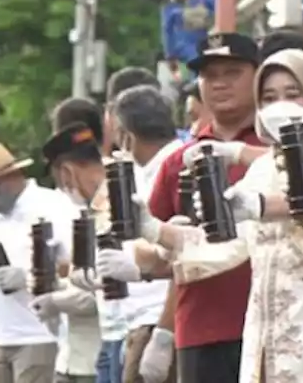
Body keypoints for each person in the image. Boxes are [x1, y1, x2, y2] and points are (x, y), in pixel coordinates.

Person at [180, 48, 303, 383]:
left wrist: (263, 205)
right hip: (263, 332)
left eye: (293, 95)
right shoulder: (262, 170)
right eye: (268, 97)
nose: (280, 105)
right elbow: (226, 246)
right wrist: (153, 235)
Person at [145, 32, 264, 383]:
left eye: (232, 72)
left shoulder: (273, 149)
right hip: (201, 326)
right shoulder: (179, 160)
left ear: (258, 74)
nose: (220, 84)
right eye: (210, 75)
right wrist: (149, 249)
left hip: (273, 319)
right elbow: (152, 241)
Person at [0, 141, 79, 383]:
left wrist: (32, 277)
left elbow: (78, 267)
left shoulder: (53, 207)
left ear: (12, 176)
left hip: (40, 336)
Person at [96, 83, 185, 383]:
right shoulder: (143, 174)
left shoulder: (174, 168)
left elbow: (184, 257)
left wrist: (163, 332)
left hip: (159, 316)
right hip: (139, 319)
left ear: (126, 136)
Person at [37, 125, 107, 383]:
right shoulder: (90, 213)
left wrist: (56, 301)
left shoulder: (109, 210)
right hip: (73, 358)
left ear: (66, 173)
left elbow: (103, 292)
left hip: (96, 358)